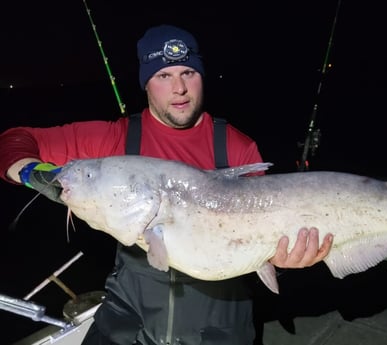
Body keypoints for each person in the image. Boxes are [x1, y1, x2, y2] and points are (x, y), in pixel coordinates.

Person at [0, 24, 332, 344]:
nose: (179, 88)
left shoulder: (236, 147)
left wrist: (283, 258)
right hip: (129, 321)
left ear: (201, 76)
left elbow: (266, 234)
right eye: (164, 76)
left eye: (188, 72)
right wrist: (32, 173)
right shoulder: (113, 140)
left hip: (218, 328)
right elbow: (12, 140)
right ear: (146, 83)